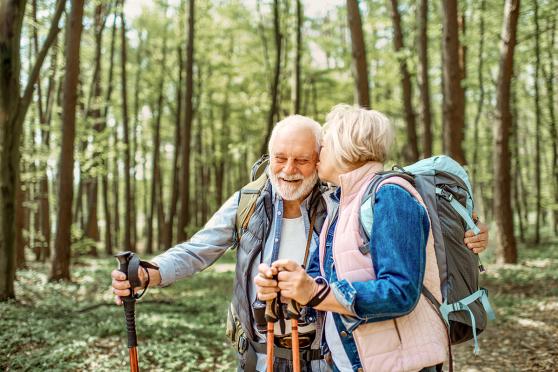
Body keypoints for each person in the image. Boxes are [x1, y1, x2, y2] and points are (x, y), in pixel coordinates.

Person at [112, 113, 489, 372]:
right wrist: (151, 273)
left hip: (330, 354)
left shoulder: (342, 200)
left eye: (302, 160)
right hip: (261, 354)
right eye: (280, 159)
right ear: (268, 157)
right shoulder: (250, 202)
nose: (289, 170)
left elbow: (400, 228)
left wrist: (466, 232)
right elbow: (198, 249)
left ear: (322, 158)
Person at [255, 104, 487, 372]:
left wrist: (315, 291)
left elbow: (400, 292)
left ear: (346, 148)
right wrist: (287, 285)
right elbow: (321, 283)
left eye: (325, 145)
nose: (318, 154)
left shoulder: (390, 196)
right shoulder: (340, 205)